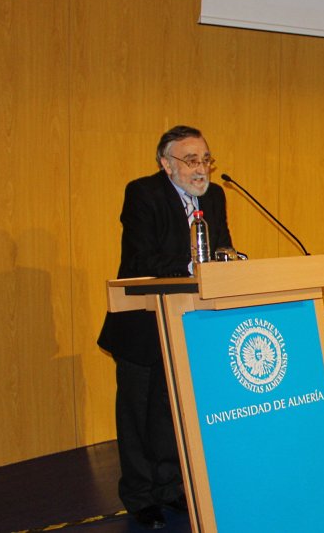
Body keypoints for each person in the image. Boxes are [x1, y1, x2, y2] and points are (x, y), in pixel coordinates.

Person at [97, 125, 232, 529]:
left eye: (205, 159)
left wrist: (226, 261)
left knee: (173, 410)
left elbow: (222, 242)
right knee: (139, 414)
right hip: (141, 323)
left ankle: (172, 485)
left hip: (189, 322)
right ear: (165, 164)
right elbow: (143, 260)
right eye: (191, 160)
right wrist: (196, 267)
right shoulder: (143, 193)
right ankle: (140, 497)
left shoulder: (215, 196)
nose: (200, 169)